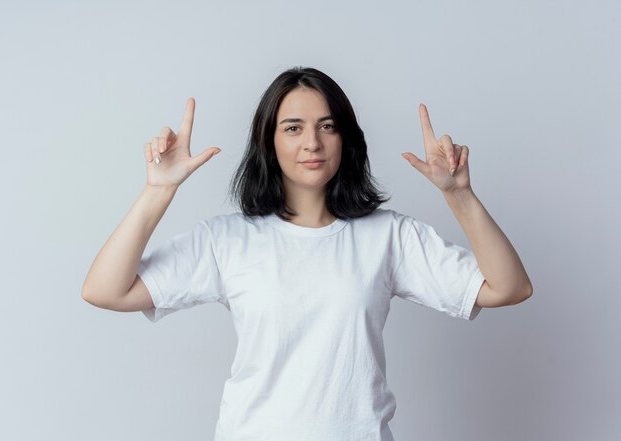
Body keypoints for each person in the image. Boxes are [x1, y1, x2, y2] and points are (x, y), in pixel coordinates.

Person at [82, 66, 533, 441]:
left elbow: (509, 288)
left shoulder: (388, 236)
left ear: (346, 138)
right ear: (269, 141)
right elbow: (105, 290)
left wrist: (459, 195)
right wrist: (158, 190)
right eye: (292, 128)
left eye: (327, 126)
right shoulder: (228, 240)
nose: (312, 143)